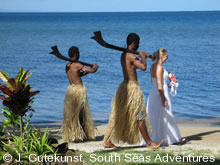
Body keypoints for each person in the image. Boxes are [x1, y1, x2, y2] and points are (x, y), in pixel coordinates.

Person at [103, 33, 163, 149]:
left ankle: (107, 141)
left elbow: (132, 67)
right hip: (132, 89)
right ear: (134, 43)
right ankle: (149, 143)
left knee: (119, 115)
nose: (139, 45)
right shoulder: (131, 56)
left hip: (124, 87)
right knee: (140, 115)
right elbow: (143, 68)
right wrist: (143, 58)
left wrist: (141, 56)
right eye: (138, 43)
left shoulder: (123, 55)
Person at [142, 48, 184, 146]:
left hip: (153, 93)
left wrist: (168, 84)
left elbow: (153, 81)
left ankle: (158, 138)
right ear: (162, 56)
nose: (167, 58)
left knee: (156, 117)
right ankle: (173, 139)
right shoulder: (159, 67)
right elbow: (159, 84)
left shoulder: (153, 66)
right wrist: (163, 98)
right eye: (166, 56)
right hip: (160, 94)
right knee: (167, 116)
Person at [62, 46, 98, 142]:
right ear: (76, 54)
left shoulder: (68, 65)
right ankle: (78, 136)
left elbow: (76, 75)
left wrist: (85, 73)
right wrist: (95, 66)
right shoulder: (77, 64)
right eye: (78, 52)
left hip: (71, 90)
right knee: (80, 113)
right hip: (78, 91)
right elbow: (93, 70)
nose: (79, 54)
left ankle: (76, 134)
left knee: (73, 114)